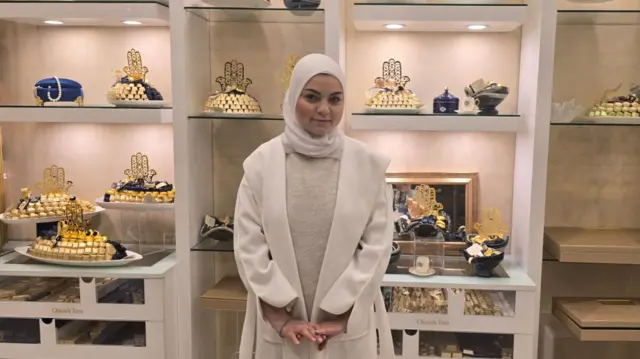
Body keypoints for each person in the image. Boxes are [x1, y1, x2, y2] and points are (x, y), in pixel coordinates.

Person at [234, 53, 394, 359]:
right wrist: (281, 318)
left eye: (335, 99)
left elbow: (376, 247)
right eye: (312, 97)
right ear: (293, 98)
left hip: (345, 325)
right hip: (281, 325)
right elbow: (248, 247)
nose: (324, 109)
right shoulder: (261, 165)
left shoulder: (367, 166)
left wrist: (339, 311)